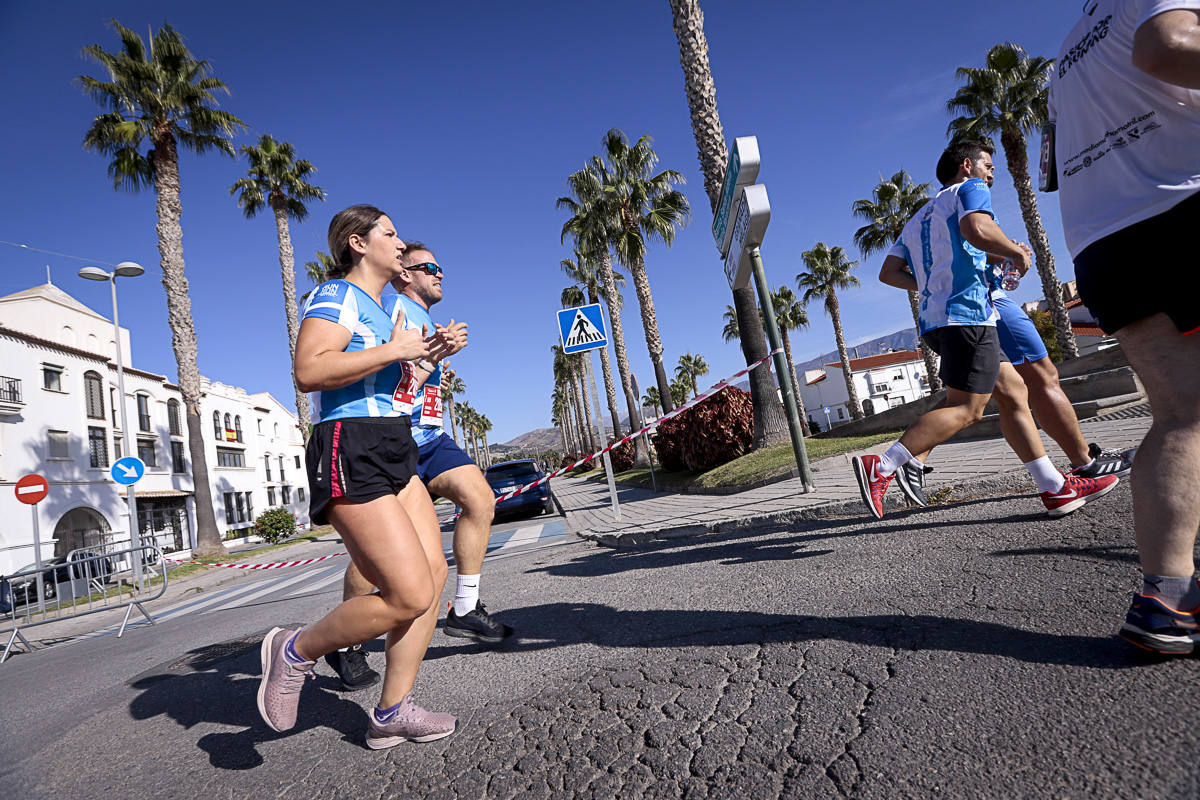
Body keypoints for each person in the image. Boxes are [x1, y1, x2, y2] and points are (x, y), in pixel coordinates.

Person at [256, 205, 458, 749]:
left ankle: (391, 711)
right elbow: (308, 370)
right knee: (406, 592)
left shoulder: (382, 307)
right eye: (389, 234)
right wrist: (394, 349)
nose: (400, 243)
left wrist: (426, 357)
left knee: (434, 579)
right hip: (350, 445)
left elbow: (394, 384)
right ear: (357, 243)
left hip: (393, 441)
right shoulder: (336, 295)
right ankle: (294, 651)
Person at [856, 139, 1118, 520]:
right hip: (968, 315)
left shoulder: (918, 218)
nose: (992, 172)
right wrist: (1015, 252)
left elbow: (889, 273)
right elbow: (977, 228)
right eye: (988, 164)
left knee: (1014, 393)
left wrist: (933, 284)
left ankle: (1055, 489)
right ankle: (882, 466)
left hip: (936, 321)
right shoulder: (970, 189)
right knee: (968, 409)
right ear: (967, 165)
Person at [1048, 0, 1200, 653]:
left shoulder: (1071, 44)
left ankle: (1166, 599)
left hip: (1104, 243)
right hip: (1181, 207)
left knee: (1181, 417)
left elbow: (1051, 171)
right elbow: (1167, 43)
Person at [323, 242, 511, 692]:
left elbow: (417, 376)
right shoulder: (392, 310)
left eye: (441, 267)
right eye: (431, 267)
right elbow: (388, 379)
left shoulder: (422, 316)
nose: (440, 274)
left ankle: (464, 608)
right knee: (374, 559)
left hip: (430, 436)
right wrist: (428, 357)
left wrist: (438, 355)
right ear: (405, 273)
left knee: (480, 499)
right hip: (394, 437)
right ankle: (344, 643)